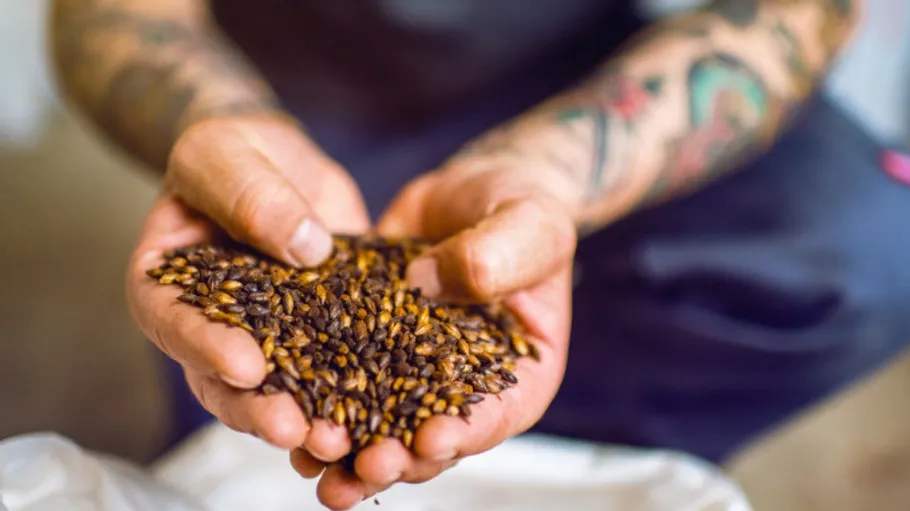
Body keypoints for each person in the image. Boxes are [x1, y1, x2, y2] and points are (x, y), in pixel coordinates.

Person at [51, 0, 910, 509]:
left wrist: (554, 173)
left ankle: (587, 443)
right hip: (283, 98)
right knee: (250, 422)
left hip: (596, 82)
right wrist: (219, 125)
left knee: (869, 242)